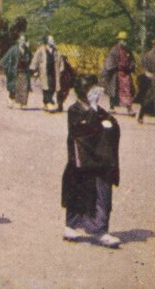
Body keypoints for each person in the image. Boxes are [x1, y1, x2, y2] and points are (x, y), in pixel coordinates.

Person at [61, 75, 121, 247]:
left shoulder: (99, 110)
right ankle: (71, 227)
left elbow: (112, 125)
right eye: (93, 90)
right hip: (82, 160)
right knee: (77, 193)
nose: (97, 93)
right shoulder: (75, 110)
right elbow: (82, 130)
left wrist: (103, 122)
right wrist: (94, 112)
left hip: (100, 160)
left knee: (102, 195)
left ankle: (100, 230)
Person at [101, 32, 135, 115]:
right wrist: (113, 68)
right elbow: (110, 61)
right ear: (118, 40)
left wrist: (131, 67)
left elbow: (132, 61)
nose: (123, 41)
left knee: (128, 91)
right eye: (122, 40)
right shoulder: (114, 50)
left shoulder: (128, 50)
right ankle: (111, 107)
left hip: (125, 74)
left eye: (125, 40)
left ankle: (129, 109)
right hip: (115, 73)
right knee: (113, 90)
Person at [31, 35, 64, 113]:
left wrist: (61, 68)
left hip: (54, 71)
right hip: (44, 72)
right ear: (47, 41)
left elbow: (61, 59)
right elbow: (36, 59)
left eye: (53, 40)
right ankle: (49, 102)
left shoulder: (56, 50)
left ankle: (46, 103)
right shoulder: (41, 50)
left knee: (53, 87)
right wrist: (34, 69)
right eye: (51, 40)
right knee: (46, 87)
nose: (53, 41)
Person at [0, 35, 32, 109]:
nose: (23, 42)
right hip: (14, 71)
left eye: (24, 40)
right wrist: (6, 69)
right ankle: (11, 100)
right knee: (13, 87)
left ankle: (23, 103)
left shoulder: (27, 50)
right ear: (19, 41)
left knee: (24, 87)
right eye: (21, 40)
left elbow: (30, 60)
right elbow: (5, 59)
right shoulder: (13, 49)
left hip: (24, 71)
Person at [136, 39, 155, 124]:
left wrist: (146, 72)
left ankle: (141, 116)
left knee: (147, 98)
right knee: (149, 98)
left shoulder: (147, 54)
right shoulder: (151, 55)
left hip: (148, 77)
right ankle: (141, 116)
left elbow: (142, 64)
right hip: (152, 78)